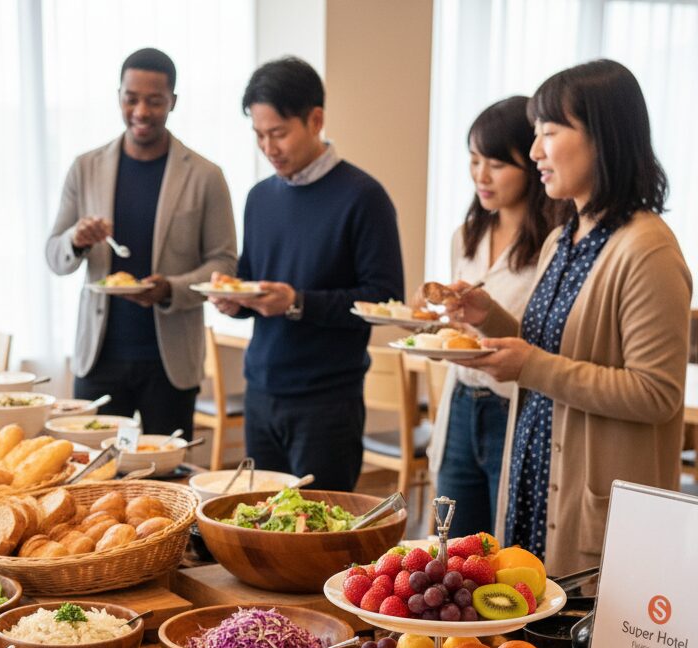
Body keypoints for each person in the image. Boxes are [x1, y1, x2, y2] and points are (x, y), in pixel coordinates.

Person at [442, 59, 691, 576]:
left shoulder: (647, 249)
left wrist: (532, 367)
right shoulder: (564, 236)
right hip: (535, 476)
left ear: (601, 138)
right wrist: (490, 317)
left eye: (549, 132)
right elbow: (551, 350)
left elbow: (656, 393)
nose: (535, 152)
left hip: (594, 497)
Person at [208, 57, 403, 492]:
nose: (268, 147)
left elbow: (385, 301)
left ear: (315, 119)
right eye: (259, 135)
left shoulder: (364, 197)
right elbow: (255, 285)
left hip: (327, 403)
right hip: (260, 394)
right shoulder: (260, 197)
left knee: (319, 542)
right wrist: (233, 301)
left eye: (278, 133)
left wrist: (298, 303)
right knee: (260, 530)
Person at [45, 48, 236, 436]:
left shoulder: (205, 175)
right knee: (92, 475)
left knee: (168, 480)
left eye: (154, 101)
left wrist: (170, 289)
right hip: (98, 356)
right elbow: (54, 256)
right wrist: (77, 240)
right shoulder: (86, 167)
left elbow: (224, 263)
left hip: (170, 360)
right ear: (119, 96)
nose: (141, 111)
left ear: (173, 102)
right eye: (131, 99)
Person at [425, 96, 554, 536]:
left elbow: (544, 342)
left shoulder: (553, 244)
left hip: (513, 403)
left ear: (532, 163)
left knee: (504, 540)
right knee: (451, 536)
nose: (481, 175)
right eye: (474, 159)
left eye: (497, 163)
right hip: (462, 399)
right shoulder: (467, 235)